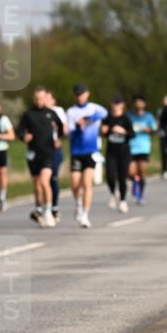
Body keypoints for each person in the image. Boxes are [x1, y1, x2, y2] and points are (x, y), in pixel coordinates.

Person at [18, 86, 64, 228]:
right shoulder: (28, 114)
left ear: (45, 98)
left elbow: (61, 128)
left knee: (45, 182)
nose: (39, 101)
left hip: (48, 153)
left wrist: (58, 139)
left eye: (42, 98)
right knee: (37, 186)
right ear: (34, 99)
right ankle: (40, 208)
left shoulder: (51, 113)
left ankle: (49, 212)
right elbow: (19, 130)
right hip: (33, 154)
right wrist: (24, 136)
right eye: (37, 98)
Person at [66, 83, 107, 227]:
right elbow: (68, 133)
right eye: (77, 94)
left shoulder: (94, 108)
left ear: (87, 94)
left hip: (91, 151)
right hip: (76, 151)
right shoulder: (71, 112)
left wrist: (89, 118)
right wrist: (78, 127)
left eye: (82, 93)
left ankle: (85, 213)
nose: (80, 96)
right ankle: (78, 204)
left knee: (87, 183)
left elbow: (105, 113)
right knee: (75, 184)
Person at [101, 95, 136, 213]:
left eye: (118, 103)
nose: (116, 106)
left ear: (122, 105)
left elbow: (132, 134)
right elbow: (103, 133)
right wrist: (103, 131)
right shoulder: (107, 118)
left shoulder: (126, 118)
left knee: (122, 177)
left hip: (124, 151)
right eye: (114, 103)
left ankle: (122, 200)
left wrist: (123, 131)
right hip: (111, 151)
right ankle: (113, 192)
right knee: (110, 175)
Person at [129, 94, 158, 205]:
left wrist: (149, 130)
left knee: (142, 172)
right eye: (136, 102)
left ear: (144, 104)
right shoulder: (129, 116)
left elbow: (155, 130)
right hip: (131, 147)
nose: (138, 104)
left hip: (143, 147)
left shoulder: (148, 116)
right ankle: (135, 182)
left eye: (140, 102)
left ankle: (141, 194)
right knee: (131, 172)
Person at [45, 91, 68, 223]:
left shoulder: (58, 111)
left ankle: (54, 206)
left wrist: (59, 137)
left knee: (53, 179)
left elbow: (64, 129)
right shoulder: (37, 112)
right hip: (42, 150)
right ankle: (42, 208)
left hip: (54, 149)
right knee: (42, 181)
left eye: (48, 98)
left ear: (53, 100)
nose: (46, 101)